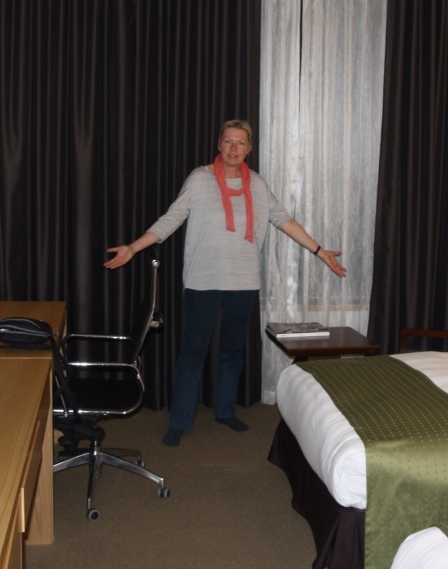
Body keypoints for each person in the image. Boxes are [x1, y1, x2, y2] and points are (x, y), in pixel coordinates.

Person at [105, 120, 346, 446]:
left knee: (232, 350)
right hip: (203, 281)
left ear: (249, 149)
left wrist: (320, 251)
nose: (234, 148)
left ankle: (225, 410)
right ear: (219, 145)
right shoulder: (199, 179)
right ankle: (180, 420)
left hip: (244, 281)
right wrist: (133, 248)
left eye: (241, 143)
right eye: (228, 141)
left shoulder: (258, 185)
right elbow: (171, 218)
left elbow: (284, 220)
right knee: (193, 352)